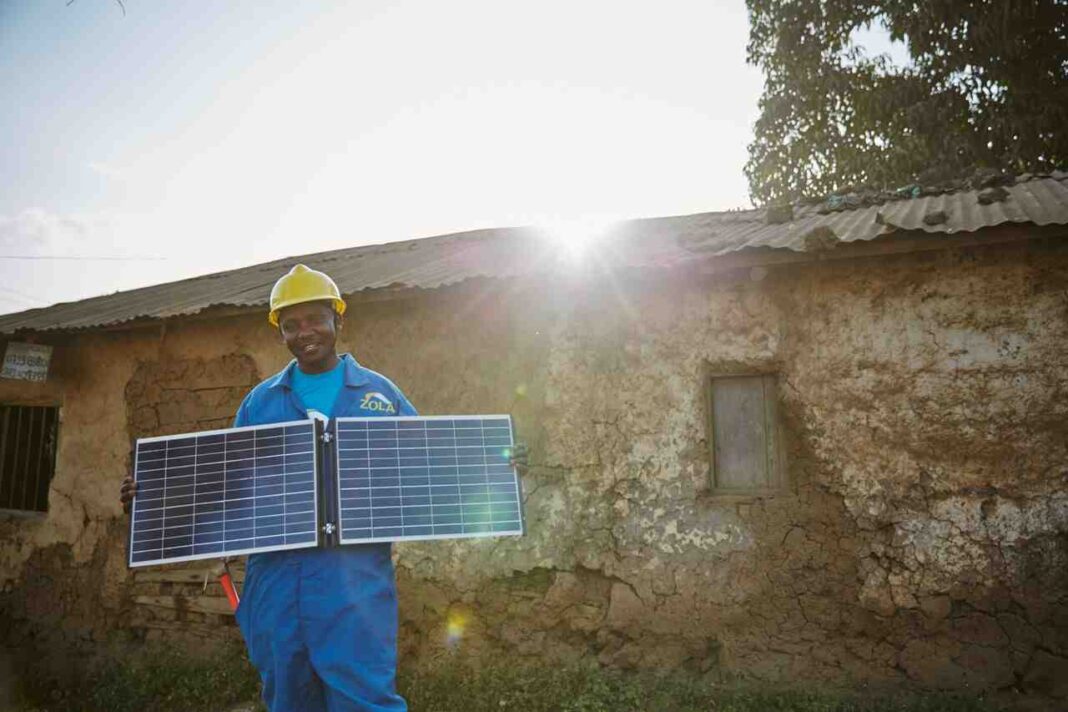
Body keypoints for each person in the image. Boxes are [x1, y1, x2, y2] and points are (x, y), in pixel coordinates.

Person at [121, 264, 525, 711]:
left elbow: (429, 464)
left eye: (315, 318)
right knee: (289, 698)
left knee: (365, 699)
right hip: (276, 581)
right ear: (281, 334)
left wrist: (496, 464)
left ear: (338, 320)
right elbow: (225, 485)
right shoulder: (261, 402)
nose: (304, 332)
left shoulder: (379, 394)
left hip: (353, 580)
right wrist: (153, 497)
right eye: (290, 325)